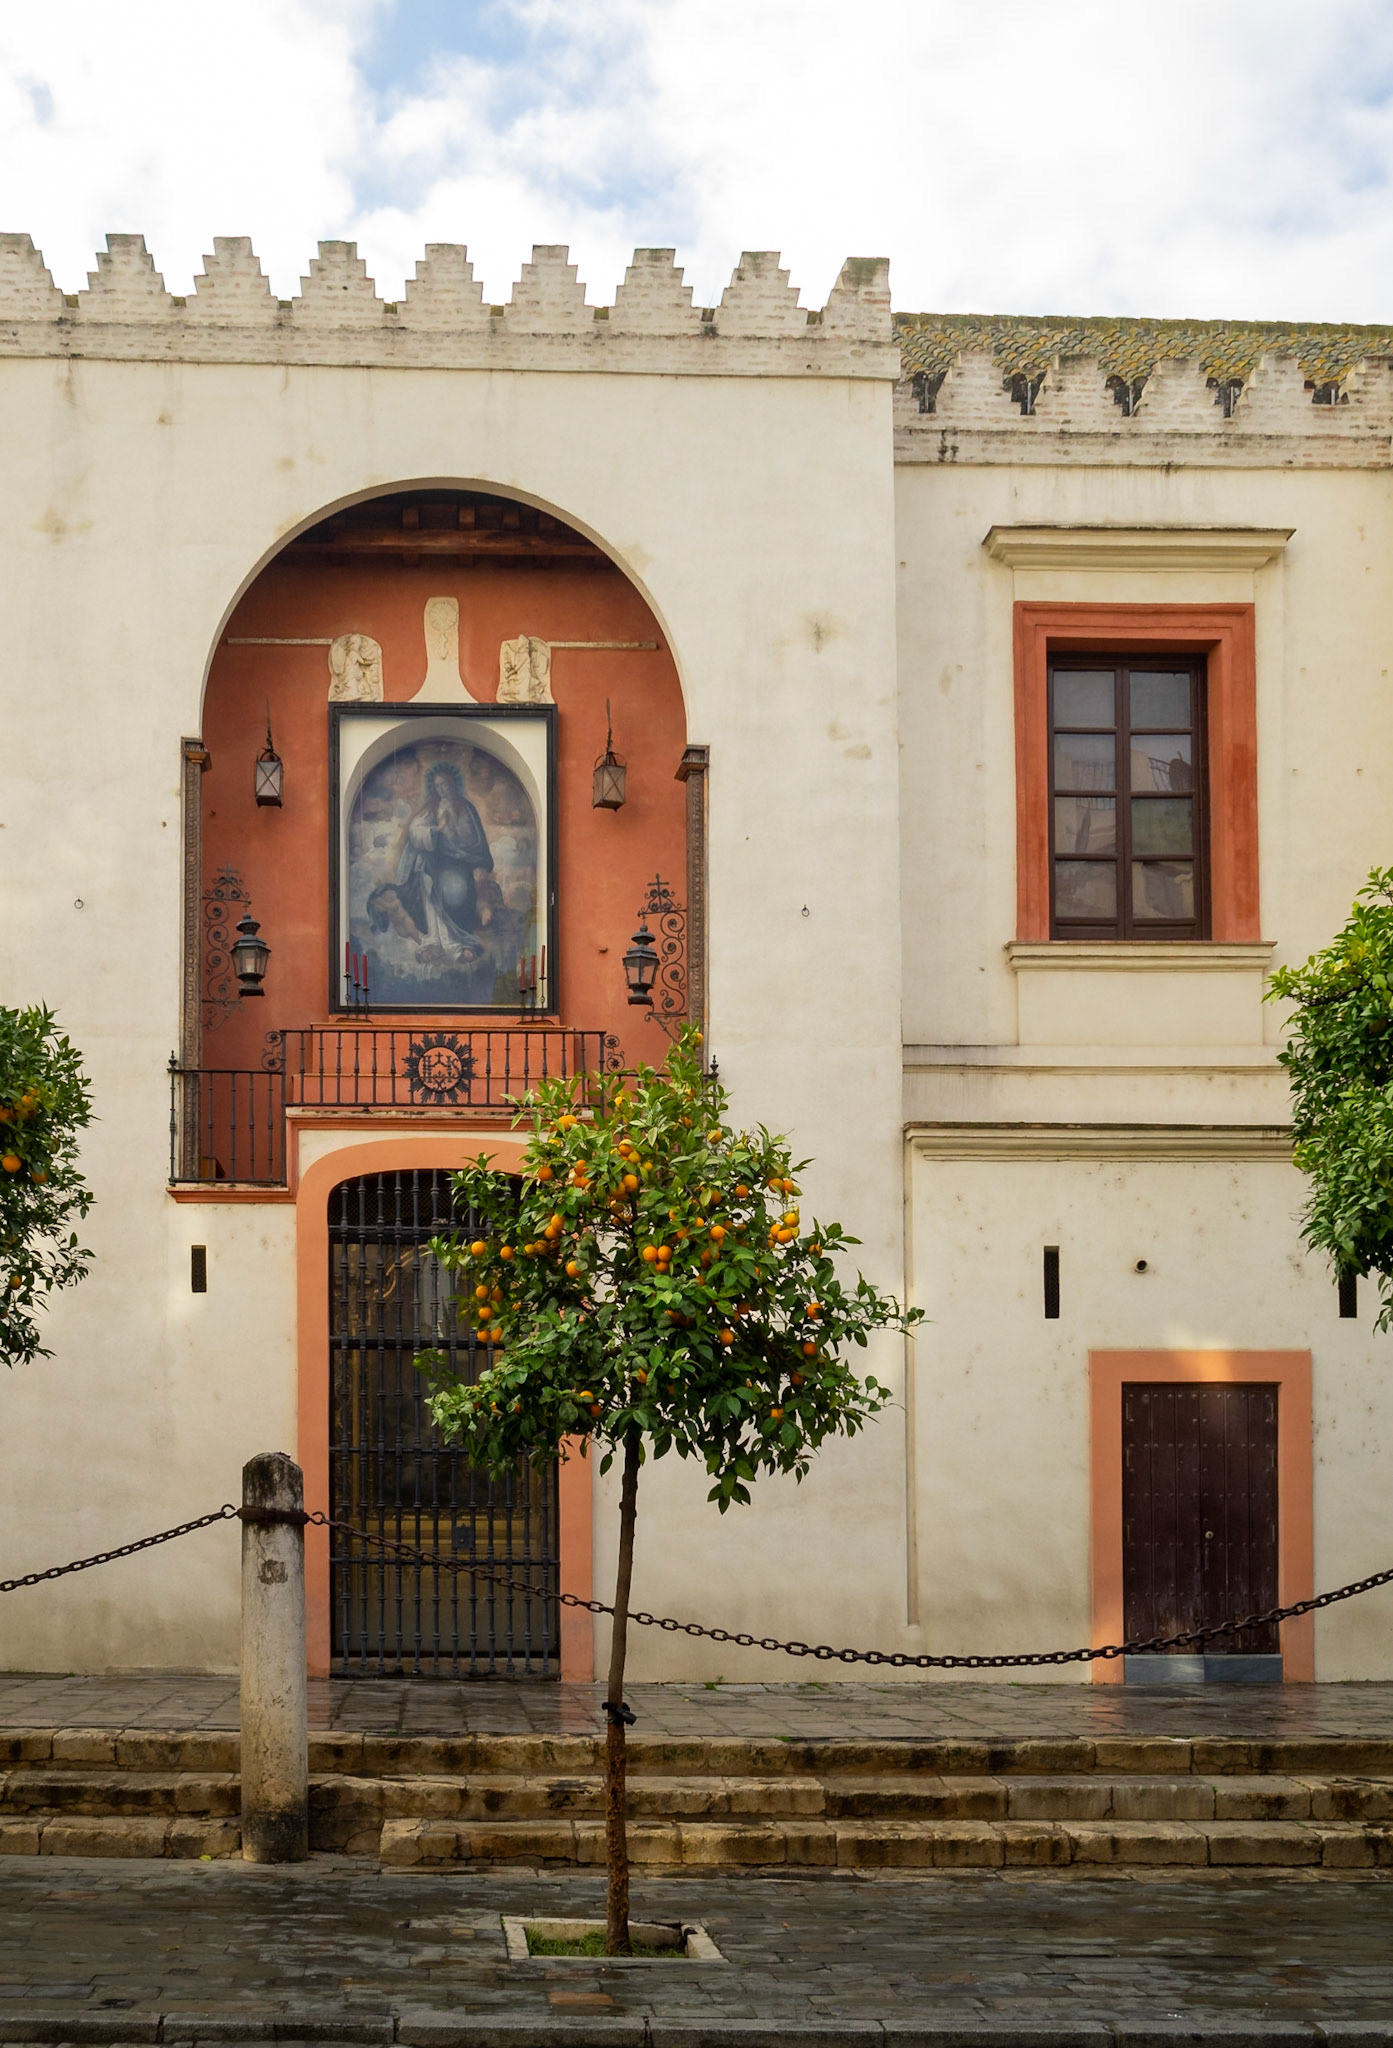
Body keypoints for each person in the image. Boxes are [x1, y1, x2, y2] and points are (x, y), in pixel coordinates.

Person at [393, 760, 494, 964]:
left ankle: (460, 940)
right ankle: (442, 940)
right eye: (438, 786)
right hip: (438, 862)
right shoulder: (432, 808)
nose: (442, 789)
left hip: (462, 862)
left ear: (453, 784)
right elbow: (415, 830)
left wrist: (456, 837)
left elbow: (475, 839)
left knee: (459, 894)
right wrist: (436, 831)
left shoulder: (466, 808)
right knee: (439, 892)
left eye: (445, 785)